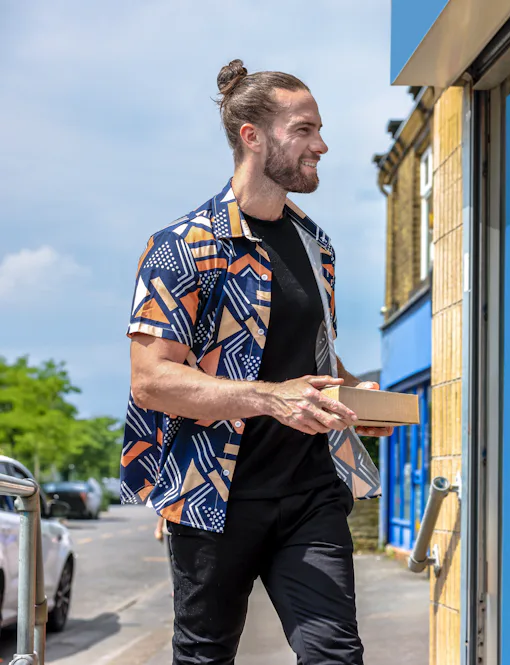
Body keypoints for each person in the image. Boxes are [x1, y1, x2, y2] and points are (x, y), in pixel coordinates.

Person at [120, 59, 391, 665]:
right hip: (214, 496)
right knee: (204, 655)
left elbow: (310, 355)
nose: (321, 144)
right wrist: (271, 398)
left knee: (335, 655)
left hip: (310, 491)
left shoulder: (315, 244)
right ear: (253, 135)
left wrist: (352, 396)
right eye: (305, 129)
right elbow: (152, 380)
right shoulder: (182, 246)